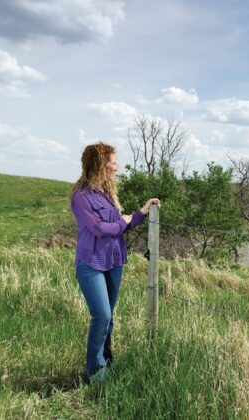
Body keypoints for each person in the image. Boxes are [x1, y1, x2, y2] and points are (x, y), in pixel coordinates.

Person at [69, 142, 160, 384]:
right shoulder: (81, 196)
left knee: (109, 317)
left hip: (114, 261)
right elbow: (99, 228)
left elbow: (123, 223)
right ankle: (95, 373)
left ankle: (107, 361)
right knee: (101, 315)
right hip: (91, 264)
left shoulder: (106, 194)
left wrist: (141, 212)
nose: (116, 167)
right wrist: (123, 221)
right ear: (99, 164)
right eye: (112, 162)